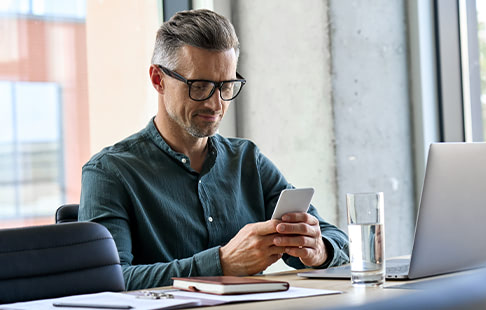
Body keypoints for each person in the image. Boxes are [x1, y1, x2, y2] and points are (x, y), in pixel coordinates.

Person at [79, 9, 349, 291]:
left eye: (226, 86)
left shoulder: (247, 160)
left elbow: (333, 237)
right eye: (200, 86)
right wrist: (221, 264)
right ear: (158, 79)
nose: (216, 104)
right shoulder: (110, 173)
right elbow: (107, 280)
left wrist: (318, 250)